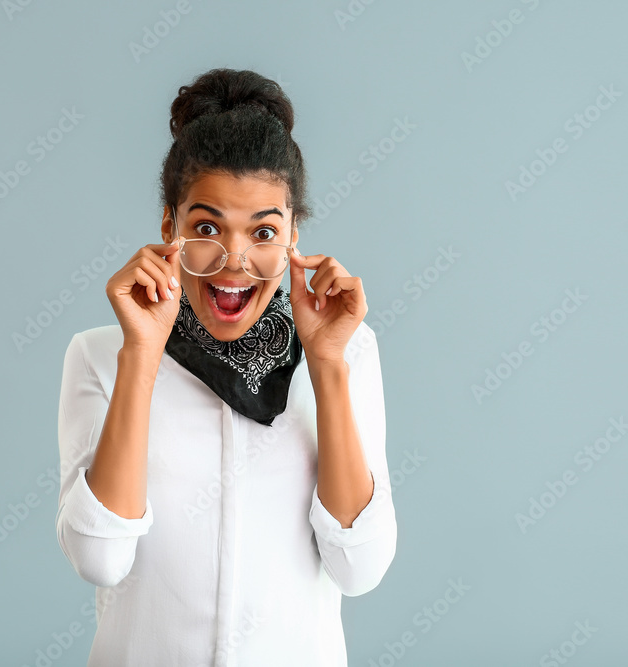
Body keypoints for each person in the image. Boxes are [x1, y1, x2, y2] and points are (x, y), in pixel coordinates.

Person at [55, 68, 397, 666]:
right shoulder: (99, 356)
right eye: (207, 227)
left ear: (294, 235)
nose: (234, 261)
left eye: (263, 230)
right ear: (170, 226)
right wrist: (141, 354)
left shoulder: (347, 353)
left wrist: (326, 365)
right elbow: (100, 560)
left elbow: (359, 567)